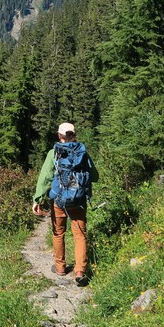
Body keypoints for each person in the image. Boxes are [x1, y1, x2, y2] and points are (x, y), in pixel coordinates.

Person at [32, 122, 98, 286]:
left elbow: (45, 178)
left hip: (59, 200)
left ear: (59, 135)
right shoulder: (82, 152)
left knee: (58, 232)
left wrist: (37, 199)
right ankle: (80, 271)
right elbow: (95, 176)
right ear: (73, 135)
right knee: (80, 234)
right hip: (79, 201)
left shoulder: (53, 153)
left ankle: (60, 267)